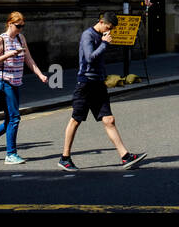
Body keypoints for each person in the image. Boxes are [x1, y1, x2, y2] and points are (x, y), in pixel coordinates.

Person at [59, 12, 145, 171]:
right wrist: (104, 44)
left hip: (98, 84)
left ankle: (125, 157)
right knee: (75, 120)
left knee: (109, 120)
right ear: (101, 22)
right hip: (85, 84)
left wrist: (105, 77)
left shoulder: (100, 35)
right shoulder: (88, 35)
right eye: (109, 27)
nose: (110, 31)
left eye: (111, 29)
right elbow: (90, 57)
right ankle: (65, 158)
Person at [0, 11, 49, 165]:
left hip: (15, 81)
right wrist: (9, 54)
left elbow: (29, 59)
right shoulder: (1, 40)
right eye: (18, 26)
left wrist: (40, 75)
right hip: (3, 80)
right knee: (14, 118)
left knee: (10, 118)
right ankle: (10, 154)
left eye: (22, 26)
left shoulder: (20, 38)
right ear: (10, 23)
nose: (20, 29)